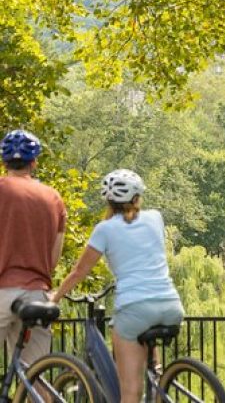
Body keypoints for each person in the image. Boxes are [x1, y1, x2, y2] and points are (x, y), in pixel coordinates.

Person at [51, 169, 184, 403]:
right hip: (171, 305)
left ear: (109, 201)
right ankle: (158, 372)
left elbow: (80, 272)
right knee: (147, 324)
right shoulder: (156, 217)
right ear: (137, 197)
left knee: (130, 392)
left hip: (134, 309)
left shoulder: (105, 229)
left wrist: (56, 297)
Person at [0, 129, 66, 363]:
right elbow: (54, 255)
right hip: (38, 294)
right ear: (34, 162)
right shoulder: (53, 198)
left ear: (4, 161)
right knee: (37, 377)